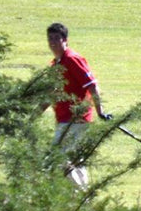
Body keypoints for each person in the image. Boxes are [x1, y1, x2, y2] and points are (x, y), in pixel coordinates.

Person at [46, 22, 111, 188]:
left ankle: (79, 195)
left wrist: (100, 111)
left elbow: (92, 85)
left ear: (65, 40)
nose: (53, 42)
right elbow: (49, 94)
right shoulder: (55, 64)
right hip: (64, 119)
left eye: (57, 38)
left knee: (58, 157)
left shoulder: (72, 59)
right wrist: (33, 115)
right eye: (50, 38)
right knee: (75, 158)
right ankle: (83, 200)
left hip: (76, 119)